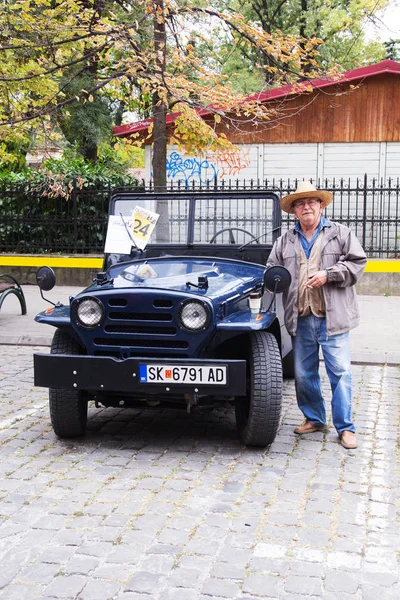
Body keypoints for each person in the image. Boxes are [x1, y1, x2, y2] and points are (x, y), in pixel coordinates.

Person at [267, 181, 367, 449]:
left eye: (311, 201)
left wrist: (329, 274)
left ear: (321, 205)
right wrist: (274, 280)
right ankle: (315, 418)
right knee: (303, 374)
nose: (306, 207)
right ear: (294, 211)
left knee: (341, 373)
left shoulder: (341, 234)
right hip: (300, 318)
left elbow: (358, 264)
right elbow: (272, 269)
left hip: (332, 319)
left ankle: (346, 428)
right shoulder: (285, 240)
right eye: (300, 203)